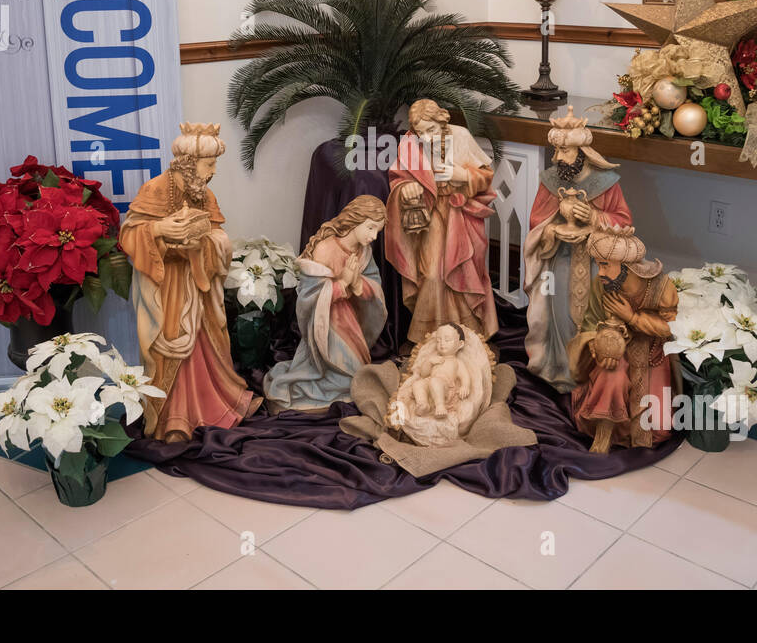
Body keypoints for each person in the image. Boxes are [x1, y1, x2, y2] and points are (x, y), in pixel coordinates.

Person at [118, 123, 260, 441]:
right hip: (163, 287)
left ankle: (208, 410)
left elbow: (220, 236)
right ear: (189, 163)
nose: (212, 172)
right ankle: (171, 419)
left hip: (196, 284)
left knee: (204, 346)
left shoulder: (204, 194)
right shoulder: (155, 189)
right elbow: (128, 235)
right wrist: (160, 230)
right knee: (166, 347)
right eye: (209, 165)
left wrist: (203, 243)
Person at [523, 106, 633, 391]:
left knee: (590, 315)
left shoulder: (606, 184)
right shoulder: (551, 180)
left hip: (596, 262)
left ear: (582, 152)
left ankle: (587, 373)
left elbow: (624, 221)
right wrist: (552, 229)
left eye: (564, 151)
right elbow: (537, 220)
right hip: (558, 257)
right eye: (556, 150)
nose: (557, 157)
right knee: (557, 311)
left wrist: (594, 219)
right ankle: (560, 369)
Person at [385, 99, 498, 345]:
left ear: (442, 121)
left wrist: (463, 175)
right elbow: (398, 179)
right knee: (434, 273)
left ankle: (468, 335)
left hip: (461, 213)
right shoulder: (411, 144)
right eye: (421, 132)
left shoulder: (460, 136)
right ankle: (429, 337)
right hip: (431, 212)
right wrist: (407, 189)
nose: (426, 138)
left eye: (432, 130)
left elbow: (486, 177)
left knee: (463, 270)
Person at [263, 195, 388, 412]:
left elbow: (373, 286)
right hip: (325, 323)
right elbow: (309, 297)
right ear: (356, 220)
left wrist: (358, 283)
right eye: (370, 228)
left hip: (348, 321)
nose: (374, 236)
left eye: (378, 230)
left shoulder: (363, 252)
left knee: (357, 374)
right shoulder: (326, 249)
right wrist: (343, 283)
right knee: (350, 378)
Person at [568, 227, 680, 452]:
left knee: (656, 430)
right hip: (616, 348)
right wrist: (596, 345)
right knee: (611, 371)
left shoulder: (662, 287)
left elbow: (671, 328)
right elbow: (590, 324)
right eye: (598, 264)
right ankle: (603, 433)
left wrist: (633, 317)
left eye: (605, 265)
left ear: (626, 266)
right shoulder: (601, 286)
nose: (600, 272)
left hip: (652, 355)